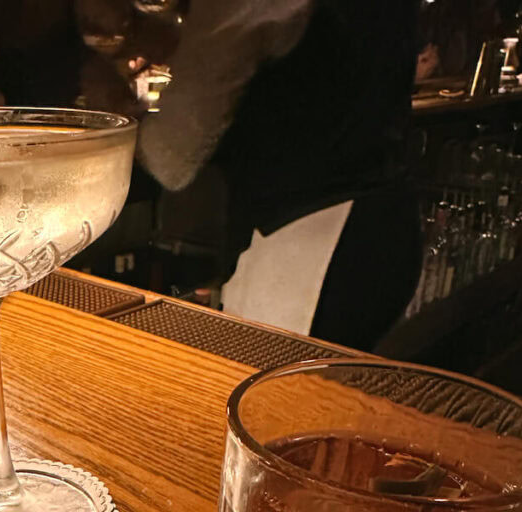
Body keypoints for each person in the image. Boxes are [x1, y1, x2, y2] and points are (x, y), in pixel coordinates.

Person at [138, 0, 422, 352]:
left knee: (268, 397)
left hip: (305, 248)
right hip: (391, 222)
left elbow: (170, 156)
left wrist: (114, 113)